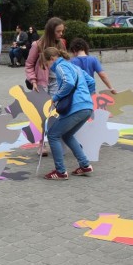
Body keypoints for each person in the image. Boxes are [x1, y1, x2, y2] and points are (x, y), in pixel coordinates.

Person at [40, 47, 95, 180]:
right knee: (67, 134)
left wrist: (56, 97)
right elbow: (91, 82)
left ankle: (60, 171)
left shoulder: (60, 66)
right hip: (87, 107)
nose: (49, 68)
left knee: (53, 135)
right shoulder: (74, 67)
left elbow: (68, 82)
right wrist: (85, 96)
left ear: (51, 59)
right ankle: (84, 165)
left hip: (76, 107)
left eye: (47, 64)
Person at [25, 17, 67, 157]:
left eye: (62, 31)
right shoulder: (37, 45)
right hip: (41, 84)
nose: (61, 34)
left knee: (56, 114)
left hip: (57, 83)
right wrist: (33, 81)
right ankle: (41, 144)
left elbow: (66, 63)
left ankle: (58, 143)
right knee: (42, 115)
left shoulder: (61, 44)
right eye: (58, 31)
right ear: (50, 31)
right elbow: (29, 64)